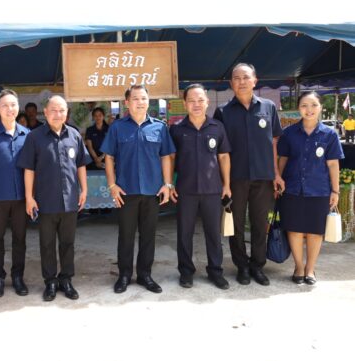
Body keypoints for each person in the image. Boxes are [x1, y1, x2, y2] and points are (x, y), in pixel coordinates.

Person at [213, 63, 284, 286]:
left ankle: (257, 266)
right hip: (235, 178)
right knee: (235, 224)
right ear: (231, 83)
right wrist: (223, 182)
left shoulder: (268, 107)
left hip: (263, 177)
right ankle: (242, 266)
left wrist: (276, 174)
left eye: (246, 77)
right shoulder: (223, 112)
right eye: (237, 78)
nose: (241, 81)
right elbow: (220, 151)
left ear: (255, 80)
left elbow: (274, 143)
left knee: (259, 223)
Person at [101, 85, 175, 294]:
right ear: (127, 102)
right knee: (126, 236)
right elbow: (109, 157)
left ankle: (145, 275)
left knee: (148, 236)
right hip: (126, 192)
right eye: (135, 98)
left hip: (153, 191)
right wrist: (112, 185)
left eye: (143, 98)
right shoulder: (117, 127)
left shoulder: (159, 127)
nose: (140, 102)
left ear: (148, 101)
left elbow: (166, 157)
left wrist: (167, 184)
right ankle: (124, 275)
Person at [17, 95, 91, 301]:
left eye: (62, 110)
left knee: (68, 243)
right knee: (47, 244)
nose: (58, 114)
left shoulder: (74, 135)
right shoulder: (34, 137)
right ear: (46, 113)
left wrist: (84, 190)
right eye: (53, 110)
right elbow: (29, 169)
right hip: (45, 201)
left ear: (66, 113)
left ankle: (66, 279)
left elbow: (81, 165)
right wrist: (29, 197)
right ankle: (50, 281)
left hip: (70, 201)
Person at [277, 91, 343, 285]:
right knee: (295, 230)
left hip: (319, 190)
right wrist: (278, 180)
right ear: (299, 109)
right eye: (304, 105)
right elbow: (283, 159)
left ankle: (310, 269)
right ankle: (299, 267)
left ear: (320, 107)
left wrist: (335, 190)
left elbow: (333, 164)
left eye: (314, 105)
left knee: (315, 231)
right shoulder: (289, 133)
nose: (309, 109)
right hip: (292, 189)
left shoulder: (330, 134)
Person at [169, 84, 231, 290]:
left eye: (200, 100)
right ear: (185, 103)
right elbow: (170, 158)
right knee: (184, 233)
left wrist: (226, 185)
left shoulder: (217, 127)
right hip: (185, 190)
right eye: (192, 101)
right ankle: (186, 272)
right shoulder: (177, 129)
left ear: (207, 102)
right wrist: (169, 184)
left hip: (213, 190)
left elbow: (223, 157)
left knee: (213, 234)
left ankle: (215, 271)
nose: (196, 104)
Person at [0, 89, 30, 297]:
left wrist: (31, 197)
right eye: (5, 105)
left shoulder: (27, 135)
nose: (10, 109)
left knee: (20, 239)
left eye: (13, 105)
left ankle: (17, 277)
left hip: (21, 199)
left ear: (18, 107)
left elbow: (31, 169)